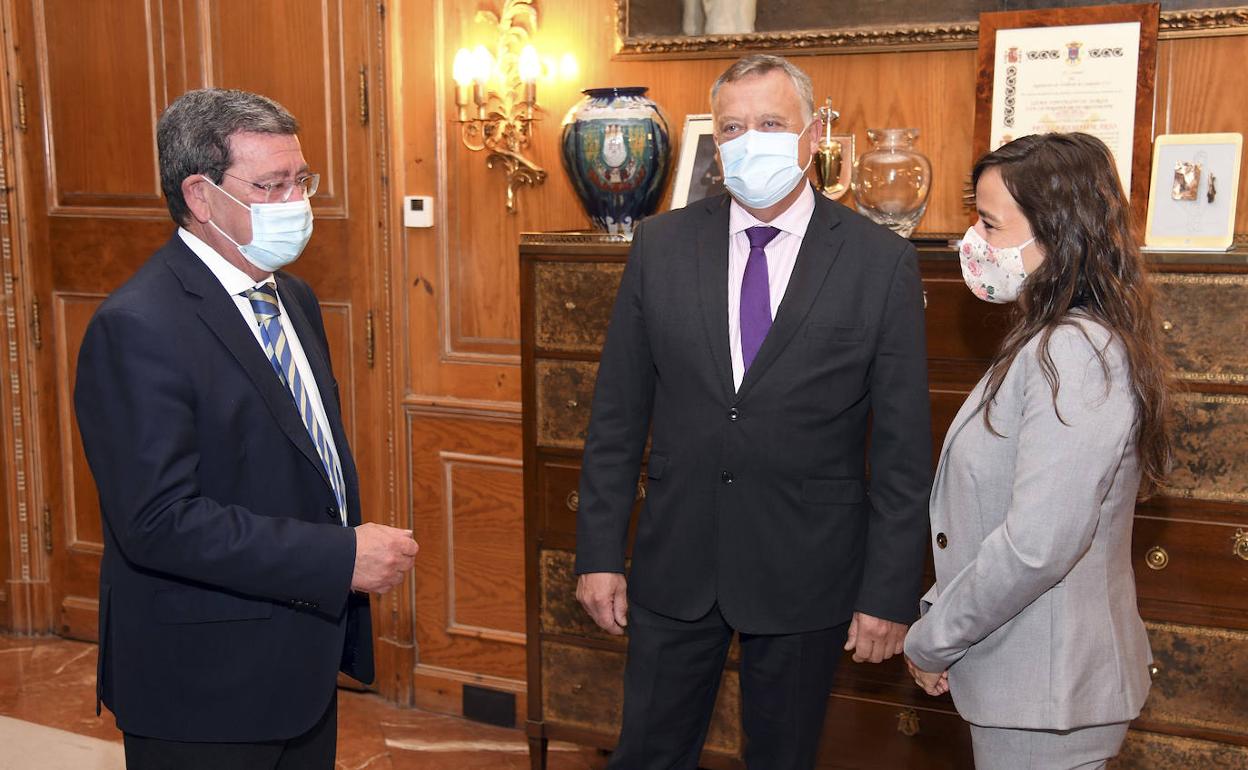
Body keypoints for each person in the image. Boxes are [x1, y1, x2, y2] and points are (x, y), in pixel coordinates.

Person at [575, 54, 933, 769]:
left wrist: (889, 591)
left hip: (807, 570)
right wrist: (598, 555)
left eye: (771, 123)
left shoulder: (877, 262)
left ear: (814, 134)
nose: (751, 140)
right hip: (676, 565)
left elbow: (902, 450)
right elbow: (616, 418)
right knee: (646, 753)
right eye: (733, 126)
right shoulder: (661, 245)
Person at [73, 88, 419, 770]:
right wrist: (339, 557)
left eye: (302, 180)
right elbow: (159, 521)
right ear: (201, 197)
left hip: (300, 668)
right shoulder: (137, 326)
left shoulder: (292, 297)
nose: (297, 202)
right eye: (271, 185)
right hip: (202, 686)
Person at [903, 132, 1170, 769]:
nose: (973, 243)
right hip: (1030, 684)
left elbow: (1036, 544)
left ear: (1054, 235)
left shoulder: (1074, 352)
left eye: (990, 224)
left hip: (1048, 689)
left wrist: (933, 639)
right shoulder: (1049, 339)